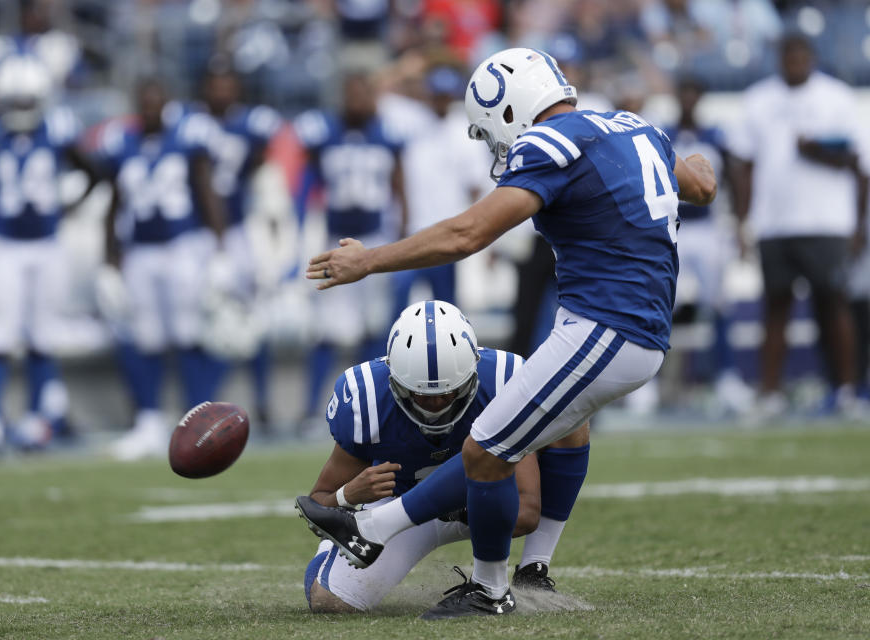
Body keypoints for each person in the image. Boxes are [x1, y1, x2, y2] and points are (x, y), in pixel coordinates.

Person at [296, 47, 716, 619]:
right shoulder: (636, 129)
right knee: (500, 443)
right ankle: (519, 572)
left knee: (487, 447)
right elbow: (703, 187)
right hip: (623, 327)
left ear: (511, 108)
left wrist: (370, 261)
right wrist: (683, 155)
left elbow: (468, 234)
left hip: (608, 326)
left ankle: (476, 583)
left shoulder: (553, 142)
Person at [305, 299, 544, 612]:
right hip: (397, 509)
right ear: (395, 381)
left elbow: (525, 512)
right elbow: (317, 502)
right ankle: (329, 555)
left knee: (570, 416)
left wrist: (461, 510)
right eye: (421, 394)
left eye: (449, 392)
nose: (436, 405)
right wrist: (348, 495)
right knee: (329, 603)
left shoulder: (503, 380)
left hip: (481, 504)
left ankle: (536, 566)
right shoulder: (368, 400)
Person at [0, 55, 99, 452]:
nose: (23, 110)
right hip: (4, 246)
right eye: (17, 102)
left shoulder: (59, 127)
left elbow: (94, 172)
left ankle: (35, 422)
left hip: (46, 245)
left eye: (29, 102)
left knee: (43, 337)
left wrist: (70, 207)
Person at [730, 33, 869, 418]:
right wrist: (743, 222)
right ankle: (771, 393)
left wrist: (858, 226)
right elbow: (743, 167)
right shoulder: (758, 99)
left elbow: (858, 166)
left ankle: (846, 390)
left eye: (800, 53)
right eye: (787, 53)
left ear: (812, 57)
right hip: (774, 222)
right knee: (775, 308)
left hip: (827, 220)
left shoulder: (837, 97)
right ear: (778, 58)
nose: (794, 60)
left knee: (834, 304)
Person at [97, 79, 226, 461]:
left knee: (189, 333)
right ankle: (148, 422)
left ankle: (199, 419)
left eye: (156, 101)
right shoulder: (123, 142)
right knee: (144, 337)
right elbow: (114, 204)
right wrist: (109, 262)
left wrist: (219, 249)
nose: (150, 108)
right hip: (140, 251)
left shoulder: (187, 138)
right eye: (144, 102)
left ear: (167, 103)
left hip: (183, 245)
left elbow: (206, 191)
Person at [294, 72, 408, 429]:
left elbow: (399, 188)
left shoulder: (388, 134)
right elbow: (307, 184)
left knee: (375, 328)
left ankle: (372, 409)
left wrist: (401, 235)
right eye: (351, 93)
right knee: (327, 330)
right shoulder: (323, 133)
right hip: (335, 238)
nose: (357, 101)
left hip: (375, 239)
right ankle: (313, 408)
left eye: (363, 93)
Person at [198, 59, 282, 435]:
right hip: (196, 233)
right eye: (215, 86)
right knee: (205, 320)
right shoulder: (191, 124)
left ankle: (261, 400)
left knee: (253, 319)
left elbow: (262, 159)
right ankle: (202, 402)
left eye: (227, 85)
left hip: (238, 229)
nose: (221, 93)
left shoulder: (252, 123)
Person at [663, 75, 752, 412]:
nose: (687, 99)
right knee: (660, 301)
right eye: (682, 92)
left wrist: (740, 227)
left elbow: (733, 179)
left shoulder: (716, 136)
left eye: (692, 92)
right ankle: (649, 381)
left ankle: (726, 375)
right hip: (673, 227)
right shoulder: (664, 135)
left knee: (718, 304)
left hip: (708, 227)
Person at [390, 65, 490, 314]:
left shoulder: (464, 130)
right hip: (411, 231)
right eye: (436, 94)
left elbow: (476, 185)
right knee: (399, 300)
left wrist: (465, 225)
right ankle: (392, 353)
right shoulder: (411, 122)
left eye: (445, 95)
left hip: (445, 232)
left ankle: (446, 354)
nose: (441, 100)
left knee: (446, 307)